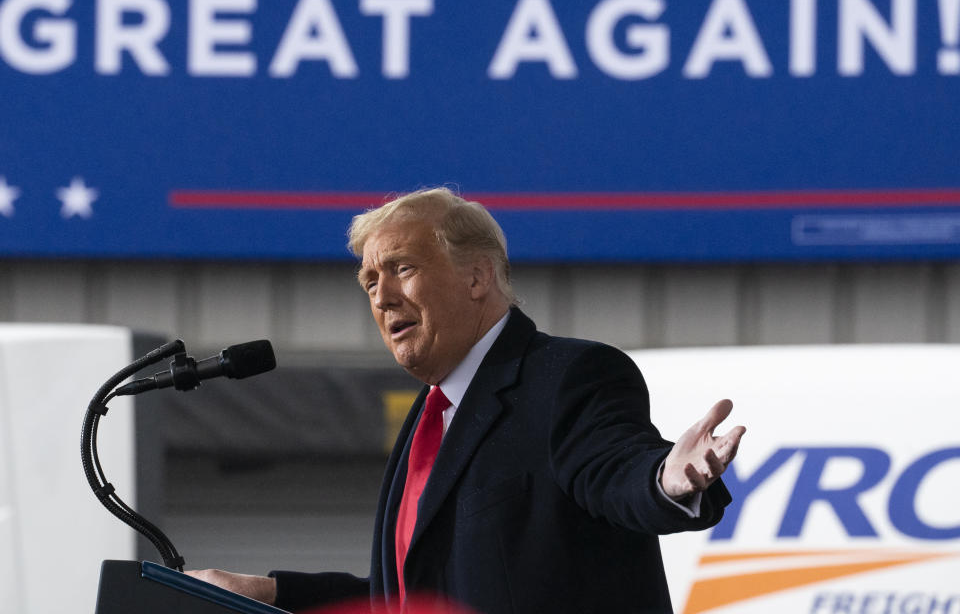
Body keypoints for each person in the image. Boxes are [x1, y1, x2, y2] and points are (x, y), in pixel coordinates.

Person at [189, 187, 745, 613]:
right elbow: (415, 598)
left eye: (403, 269)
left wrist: (664, 479)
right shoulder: (431, 416)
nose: (382, 297)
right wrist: (266, 592)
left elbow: (614, 469)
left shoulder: (567, 376)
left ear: (477, 277)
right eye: (369, 282)